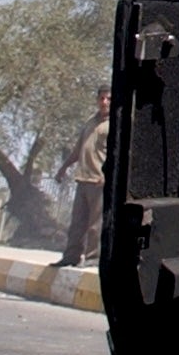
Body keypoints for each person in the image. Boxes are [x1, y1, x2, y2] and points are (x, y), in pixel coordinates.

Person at [53, 85, 111, 268]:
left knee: (96, 224)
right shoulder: (90, 122)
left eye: (108, 99)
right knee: (77, 223)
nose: (104, 102)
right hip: (83, 178)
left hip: (99, 180)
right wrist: (63, 168)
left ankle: (93, 258)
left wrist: (107, 174)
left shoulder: (114, 124)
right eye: (101, 98)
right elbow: (79, 149)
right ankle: (71, 256)